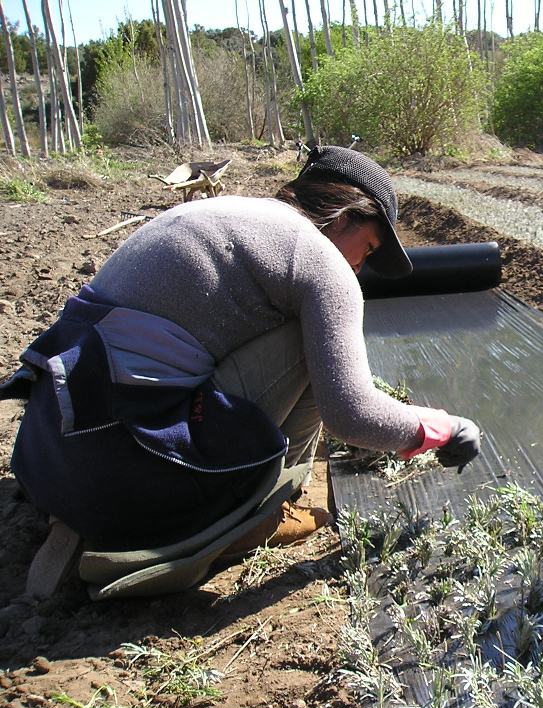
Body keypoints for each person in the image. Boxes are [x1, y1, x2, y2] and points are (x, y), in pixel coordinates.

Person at [1, 146, 481, 573]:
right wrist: (441, 426)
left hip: (52, 457)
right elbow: (351, 414)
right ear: (346, 216)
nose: (360, 266)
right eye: (368, 249)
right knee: (307, 342)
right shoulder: (320, 261)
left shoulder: (225, 214)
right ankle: (270, 506)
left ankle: (254, 486)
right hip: (129, 485)